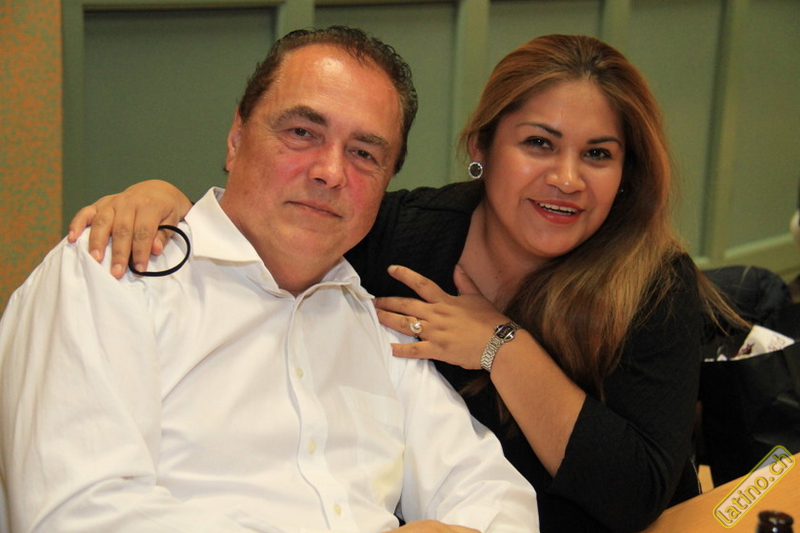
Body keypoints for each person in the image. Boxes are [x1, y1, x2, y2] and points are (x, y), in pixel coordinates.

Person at [67, 34, 745, 533]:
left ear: (625, 172)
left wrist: (501, 345)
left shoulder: (648, 281)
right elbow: (278, 217)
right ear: (482, 149)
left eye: (597, 154)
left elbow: (634, 498)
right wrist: (166, 203)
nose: (566, 178)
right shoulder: (397, 236)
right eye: (539, 143)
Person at [0, 27, 541, 533]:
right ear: (236, 138)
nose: (331, 171)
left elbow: (498, 498)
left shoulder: (379, 332)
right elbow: (76, 515)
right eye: (302, 133)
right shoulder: (111, 276)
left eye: (364, 153)